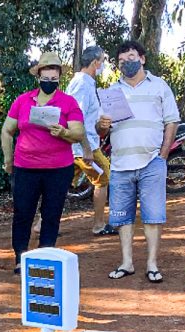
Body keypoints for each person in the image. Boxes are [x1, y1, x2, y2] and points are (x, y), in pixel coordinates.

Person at [98, 40, 179, 283]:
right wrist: (101, 127)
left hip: (152, 161)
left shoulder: (160, 86)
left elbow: (172, 121)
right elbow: (103, 132)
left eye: (131, 58)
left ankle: (152, 264)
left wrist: (163, 154)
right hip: (122, 163)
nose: (127, 63)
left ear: (142, 58)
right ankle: (127, 262)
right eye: (122, 61)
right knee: (122, 217)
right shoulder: (112, 91)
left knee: (153, 215)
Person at [1, 51, 84, 274]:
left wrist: (64, 132)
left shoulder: (68, 102)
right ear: (38, 76)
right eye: (45, 78)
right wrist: (8, 159)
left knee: (51, 213)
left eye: (53, 79)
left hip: (58, 168)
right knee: (22, 213)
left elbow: (78, 132)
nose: (49, 82)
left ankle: (45, 254)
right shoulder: (22, 100)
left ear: (59, 78)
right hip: (25, 167)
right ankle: (20, 256)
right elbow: (7, 131)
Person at [66, 45, 116, 236]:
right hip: (83, 146)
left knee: (61, 184)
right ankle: (98, 224)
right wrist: (86, 148)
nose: (103, 65)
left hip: (77, 145)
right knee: (103, 177)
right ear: (95, 63)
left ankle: (39, 224)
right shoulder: (83, 84)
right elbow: (76, 117)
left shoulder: (83, 82)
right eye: (102, 62)